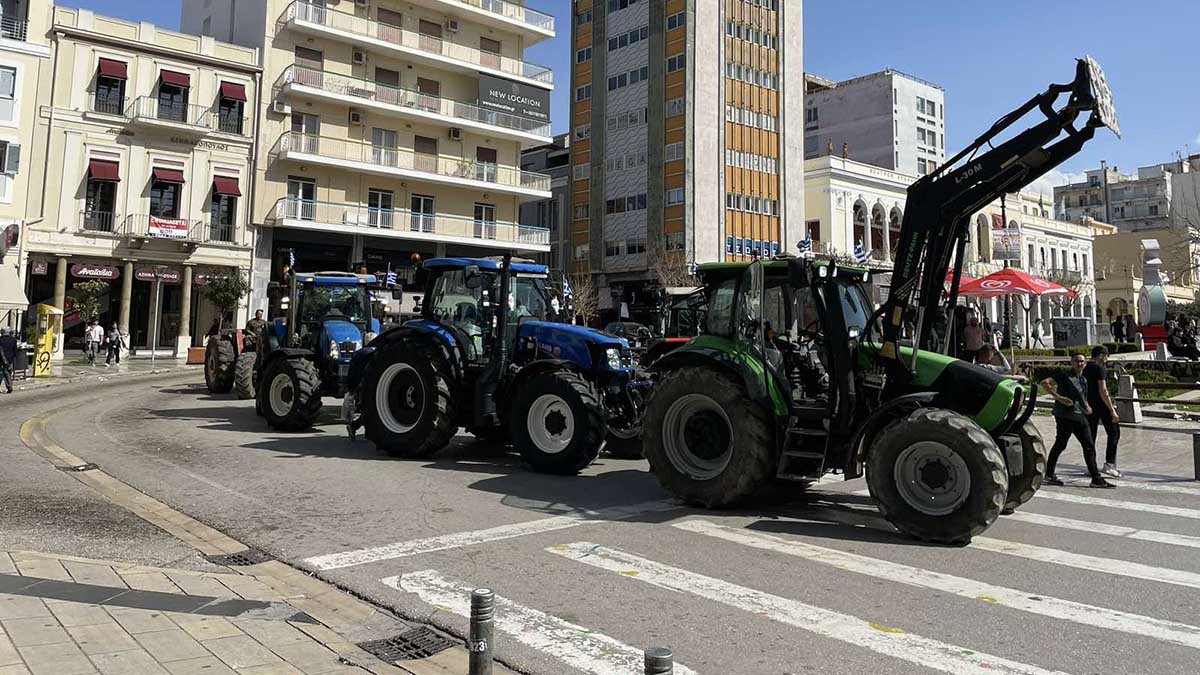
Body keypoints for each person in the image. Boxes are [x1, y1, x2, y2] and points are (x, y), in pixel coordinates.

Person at [1041, 354, 1115, 488]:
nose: (1079, 363)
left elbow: (1082, 397)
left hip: (1078, 415)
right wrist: (1059, 398)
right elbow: (1044, 383)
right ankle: (1049, 474)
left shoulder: (1083, 379)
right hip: (1064, 416)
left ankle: (1096, 479)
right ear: (1071, 362)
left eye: (1081, 361)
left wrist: (1086, 406)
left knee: (1089, 445)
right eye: (1076, 361)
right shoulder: (1064, 375)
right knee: (1061, 444)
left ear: (1085, 363)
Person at [1083, 346, 1122, 477]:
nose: (1106, 360)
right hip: (1102, 405)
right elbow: (1103, 390)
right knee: (1114, 433)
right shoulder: (1100, 369)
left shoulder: (1085, 368)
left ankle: (1091, 466)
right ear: (1100, 355)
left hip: (1089, 405)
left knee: (1090, 436)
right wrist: (1112, 410)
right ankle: (1109, 464)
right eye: (1106, 356)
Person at [0, 328, 17, 394]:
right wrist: (13, 358)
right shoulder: (13, 340)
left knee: (1, 373)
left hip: (0, 359)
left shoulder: (0, 339)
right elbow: (15, 351)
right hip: (9, 359)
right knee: (8, 373)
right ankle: (9, 386)